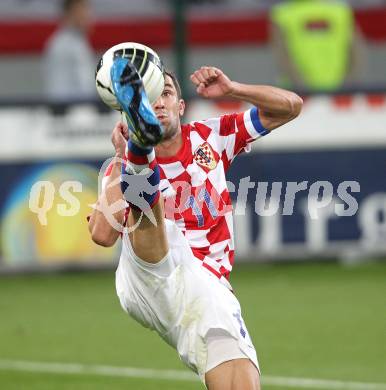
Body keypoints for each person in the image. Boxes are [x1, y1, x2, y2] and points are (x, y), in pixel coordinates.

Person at [88, 57, 302, 389]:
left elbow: (291, 106)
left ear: (182, 105)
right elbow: (102, 235)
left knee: (238, 377)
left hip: (204, 285)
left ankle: (141, 158)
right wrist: (120, 158)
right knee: (157, 222)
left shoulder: (212, 136)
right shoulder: (114, 166)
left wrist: (233, 89)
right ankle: (142, 157)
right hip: (147, 271)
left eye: (165, 92)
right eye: (147, 95)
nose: (158, 101)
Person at [270, 0, 364, 91]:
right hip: (335, 91)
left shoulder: (282, 13)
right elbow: (355, 53)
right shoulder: (340, 10)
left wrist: (301, 85)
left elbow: (282, 56)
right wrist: (348, 84)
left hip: (298, 93)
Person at [42, 0, 95, 100]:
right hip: (71, 113)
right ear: (72, 13)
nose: (88, 16)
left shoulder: (79, 43)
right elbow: (57, 92)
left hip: (85, 111)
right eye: (83, 10)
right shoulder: (60, 46)